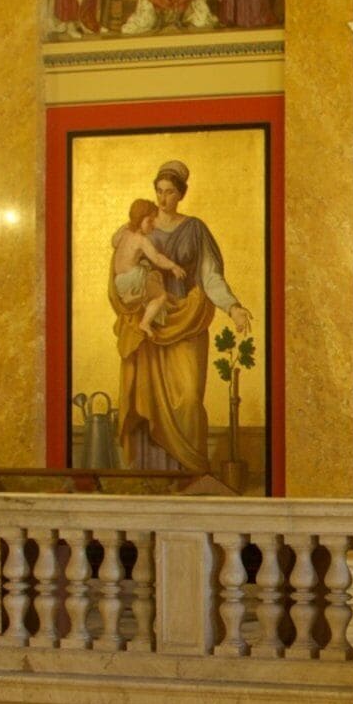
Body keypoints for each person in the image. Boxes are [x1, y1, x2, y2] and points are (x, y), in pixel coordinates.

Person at [114, 160, 254, 479]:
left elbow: (210, 275)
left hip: (187, 320)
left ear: (181, 195)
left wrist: (232, 307)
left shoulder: (195, 229)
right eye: (159, 192)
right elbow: (119, 272)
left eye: (170, 193)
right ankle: (151, 481)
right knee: (145, 399)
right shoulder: (138, 228)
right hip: (151, 324)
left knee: (189, 398)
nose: (164, 199)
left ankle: (190, 476)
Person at [107, 196, 187, 310]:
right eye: (150, 221)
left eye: (154, 220)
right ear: (139, 220)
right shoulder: (141, 240)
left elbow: (114, 242)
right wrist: (173, 266)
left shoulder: (125, 232)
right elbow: (157, 258)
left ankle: (135, 298)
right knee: (158, 289)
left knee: (153, 276)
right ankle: (153, 309)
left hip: (120, 283)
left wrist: (127, 224)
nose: (153, 225)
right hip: (134, 279)